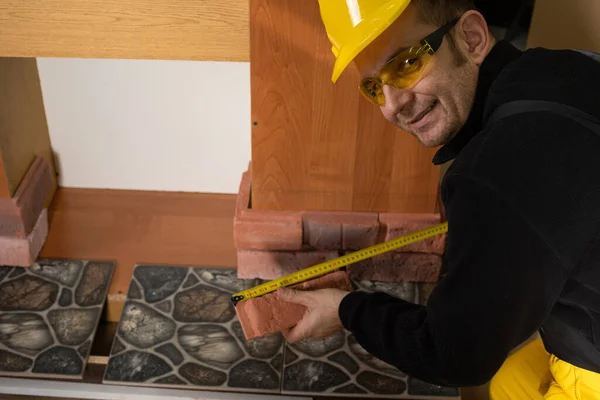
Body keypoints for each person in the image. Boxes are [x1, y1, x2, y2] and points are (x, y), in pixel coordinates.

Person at [274, 0, 600, 398]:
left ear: (472, 37)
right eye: (375, 87)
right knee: (510, 382)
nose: (392, 106)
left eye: (407, 64)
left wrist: (347, 310)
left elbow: (454, 355)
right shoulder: (566, 65)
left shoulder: (494, 173)